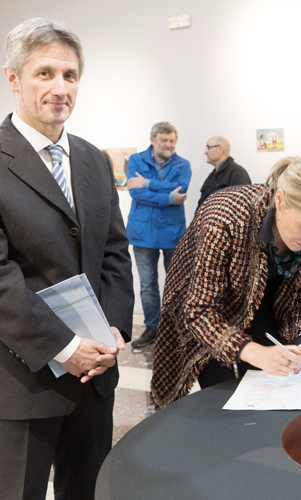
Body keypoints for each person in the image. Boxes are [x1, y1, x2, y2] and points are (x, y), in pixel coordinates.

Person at [0, 18, 134, 499]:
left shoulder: (93, 159)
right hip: (26, 379)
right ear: (14, 79)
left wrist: (113, 329)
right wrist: (65, 346)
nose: (60, 88)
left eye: (70, 75)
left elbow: (114, 253)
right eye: (45, 73)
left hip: (95, 376)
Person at [151, 154, 301, 408]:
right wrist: (255, 352)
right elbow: (198, 311)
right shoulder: (224, 217)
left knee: (273, 397)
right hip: (213, 313)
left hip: (268, 305)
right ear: (280, 201)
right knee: (228, 401)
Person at [125, 122, 191, 348]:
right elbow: (136, 194)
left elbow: (181, 189)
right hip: (143, 233)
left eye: (172, 140)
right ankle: (153, 328)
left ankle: (173, 327)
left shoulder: (183, 164)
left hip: (173, 232)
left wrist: (147, 183)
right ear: (153, 140)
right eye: (164, 140)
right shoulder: (135, 160)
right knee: (147, 286)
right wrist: (168, 197)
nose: (169, 144)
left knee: (176, 284)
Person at [198, 135, 251, 209]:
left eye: (208, 147)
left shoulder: (238, 172)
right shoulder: (212, 175)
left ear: (220, 149)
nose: (205, 152)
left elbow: (242, 205)